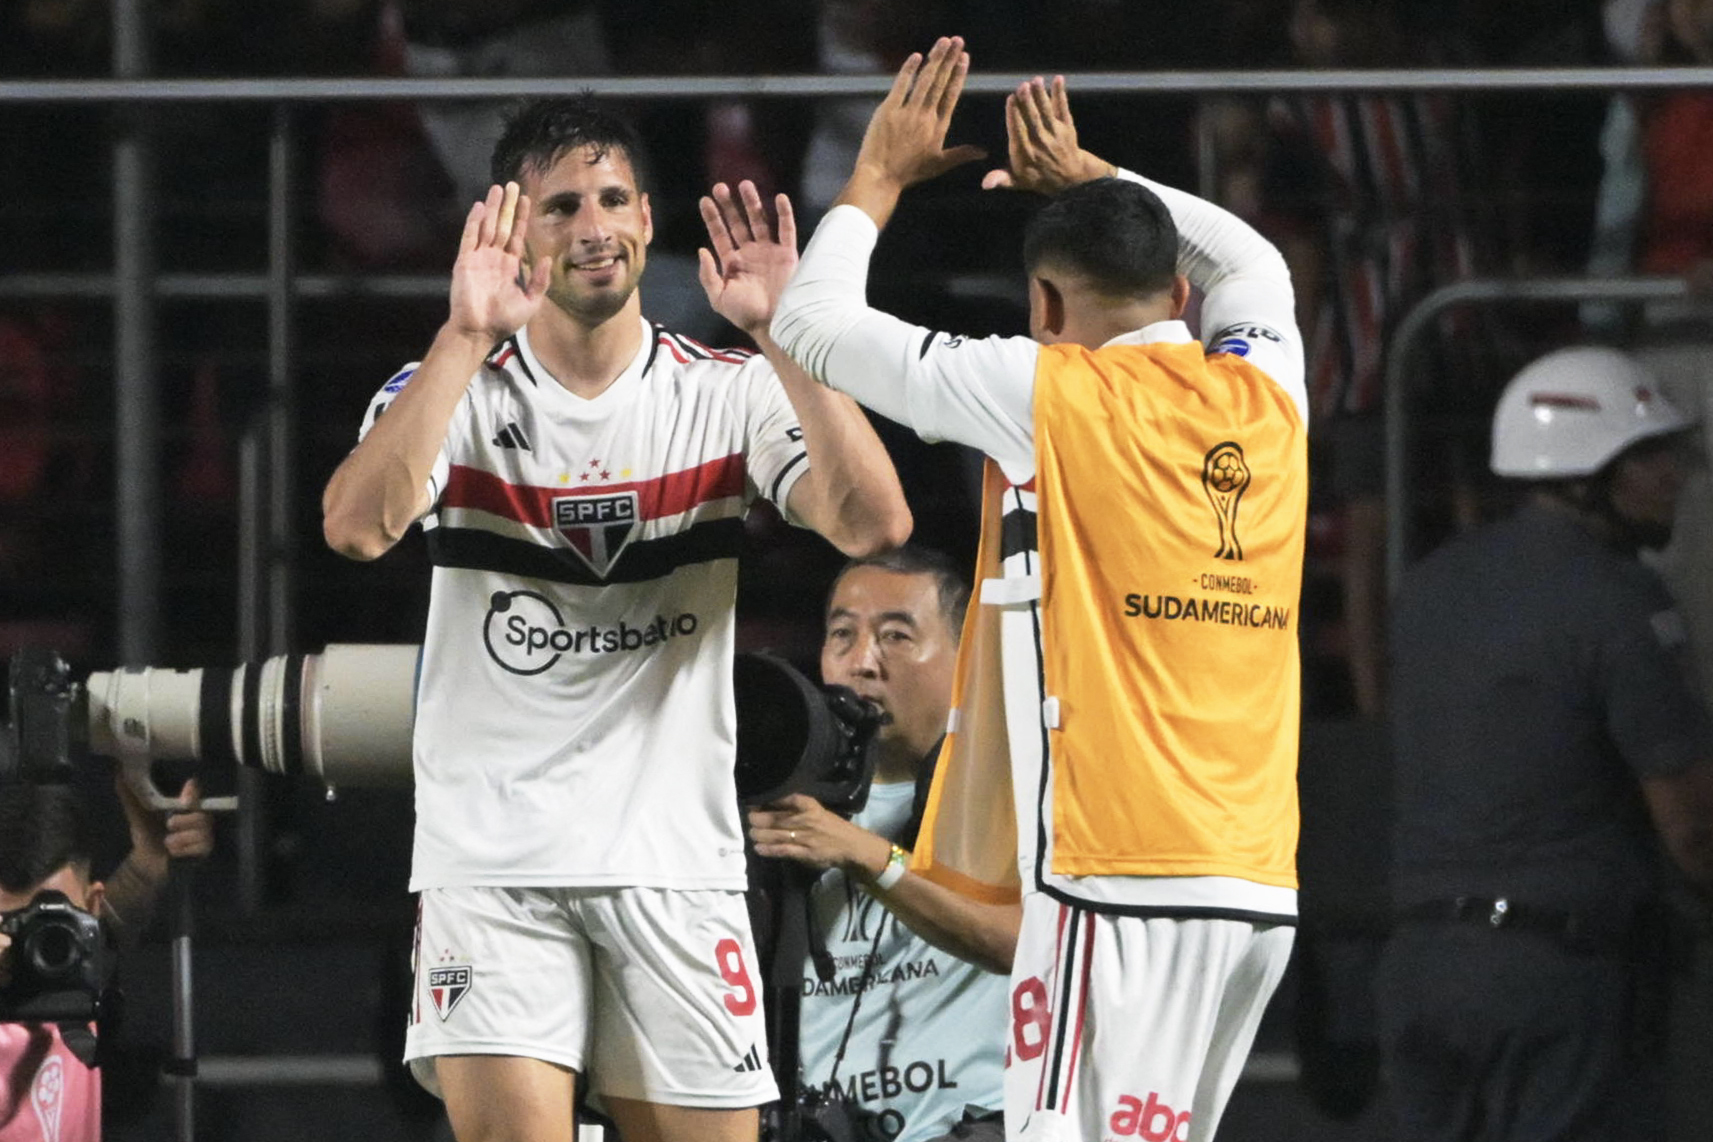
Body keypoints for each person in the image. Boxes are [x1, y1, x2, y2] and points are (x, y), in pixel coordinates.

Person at [320, 94, 910, 1142]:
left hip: (675, 861)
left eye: (610, 200)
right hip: (495, 862)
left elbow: (874, 521)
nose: (591, 226)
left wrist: (784, 339)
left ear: (646, 218)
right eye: (557, 208)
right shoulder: (450, 388)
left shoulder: (727, 392)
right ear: (510, 231)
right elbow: (358, 527)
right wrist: (463, 332)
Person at [768, 41, 1308, 1142]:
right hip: (1255, 884)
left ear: (1045, 301)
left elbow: (812, 324)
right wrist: (1098, 181)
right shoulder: (1266, 386)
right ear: (1177, 293)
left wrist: (873, 176)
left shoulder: (1047, 392)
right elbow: (1251, 260)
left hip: (1117, 881)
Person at [1381, 345, 1713, 1142]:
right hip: (1559, 983)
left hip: (1416, 967)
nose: (1673, 476)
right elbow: (1694, 827)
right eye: (1649, 456)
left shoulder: (1431, 585)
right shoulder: (1622, 600)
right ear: (1586, 473)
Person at [748, 545, 1012, 1142]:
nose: (862, 662)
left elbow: (1025, 943)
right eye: (842, 634)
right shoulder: (770, 809)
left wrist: (865, 855)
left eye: (896, 636)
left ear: (968, 655)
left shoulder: (1010, 796)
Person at [0, 777, 212, 1142]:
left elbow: (113, 922)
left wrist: (153, 857)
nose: (22, 950)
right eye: (5, 925)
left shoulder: (72, 964)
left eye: (49, 927)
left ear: (90, 908)